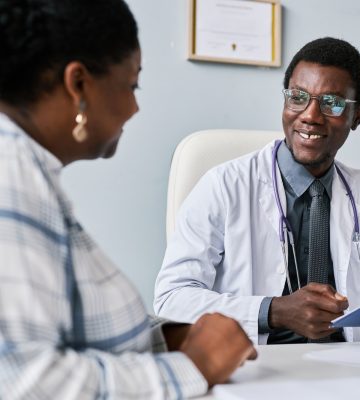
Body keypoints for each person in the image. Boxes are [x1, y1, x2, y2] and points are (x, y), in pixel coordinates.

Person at [154, 37, 360, 345]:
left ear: (356, 116)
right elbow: (171, 298)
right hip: (255, 368)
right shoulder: (223, 185)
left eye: (331, 103)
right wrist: (274, 311)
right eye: (298, 98)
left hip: (346, 368)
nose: (310, 116)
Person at [0, 0, 256, 398]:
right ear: (78, 83)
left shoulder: (29, 170)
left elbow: (75, 331)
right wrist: (195, 366)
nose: (135, 107)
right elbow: (27, 382)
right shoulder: (10, 175)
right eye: (131, 85)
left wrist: (167, 337)